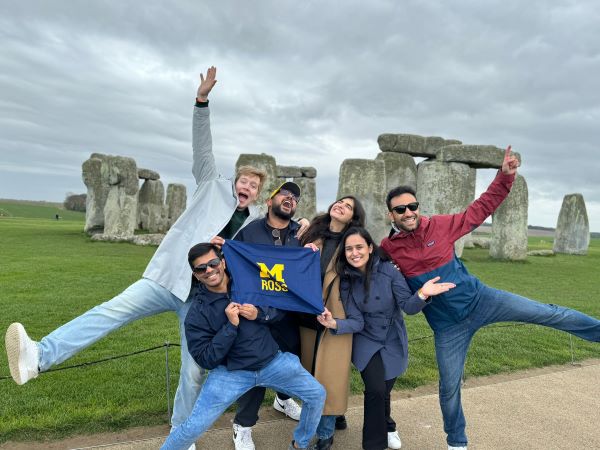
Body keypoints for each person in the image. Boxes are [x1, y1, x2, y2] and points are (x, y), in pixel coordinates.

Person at [4, 67, 266, 444]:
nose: (248, 187)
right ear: (235, 180)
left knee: (193, 371)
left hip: (204, 299)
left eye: (254, 186)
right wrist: (202, 101)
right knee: (110, 311)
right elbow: (202, 146)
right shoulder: (211, 183)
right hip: (168, 277)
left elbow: (267, 248)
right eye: (244, 180)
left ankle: (183, 429)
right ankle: (39, 357)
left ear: (257, 193)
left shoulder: (254, 222)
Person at [380, 146, 600, 450]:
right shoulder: (389, 249)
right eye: (401, 209)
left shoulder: (440, 225)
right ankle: (457, 443)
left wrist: (505, 177)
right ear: (391, 214)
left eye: (412, 206)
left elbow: (480, 208)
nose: (409, 212)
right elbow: (363, 260)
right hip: (447, 326)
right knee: (448, 388)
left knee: (547, 313)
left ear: (418, 206)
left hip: (482, 300)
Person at [161, 243, 325, 450]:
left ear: (223, 262)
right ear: (195, 275)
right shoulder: (197, 313)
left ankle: (300, 444)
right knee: (193, 426)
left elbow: (280, 305)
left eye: (212, 263)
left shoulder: (249, 282)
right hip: (231, 373)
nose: (209, 271)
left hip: (272, 362)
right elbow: (205, 359)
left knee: (317, 394)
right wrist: (230, 326)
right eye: (201, 269)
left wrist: (260, 313)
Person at [317, 226, 455, 450]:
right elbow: (357, 321)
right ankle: (374, 444)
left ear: (370, 248)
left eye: (359, 247)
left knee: (384, 389)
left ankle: (388, 424)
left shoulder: (389, 271)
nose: (354, 253)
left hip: (392, 338)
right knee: (376, 390)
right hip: (366, 339)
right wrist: (334, 324)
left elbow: (408, 307)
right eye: (349, 249)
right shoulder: (346, 281)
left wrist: (423, 293)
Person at [219, 181, 306, 450]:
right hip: (254, 310)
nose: (289, 198)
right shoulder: (250, 231)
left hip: (287, 312)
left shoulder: (300, 234)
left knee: (289, 359)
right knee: (257, 366)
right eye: (284, 194)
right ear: (270, 201)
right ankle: (243, 425)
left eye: (294, 197)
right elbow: (233, 263)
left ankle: (282, 399)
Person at [299, 196, 366, 450]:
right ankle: (336, 416)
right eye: (340, 202)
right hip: (306, 312)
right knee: (310, 372)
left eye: (349, 206)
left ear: (353, 217)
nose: (341, 206)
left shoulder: (354, 242)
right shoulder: (313, 232)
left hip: (336, 314)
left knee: (329, 375)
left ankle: (326, 434)